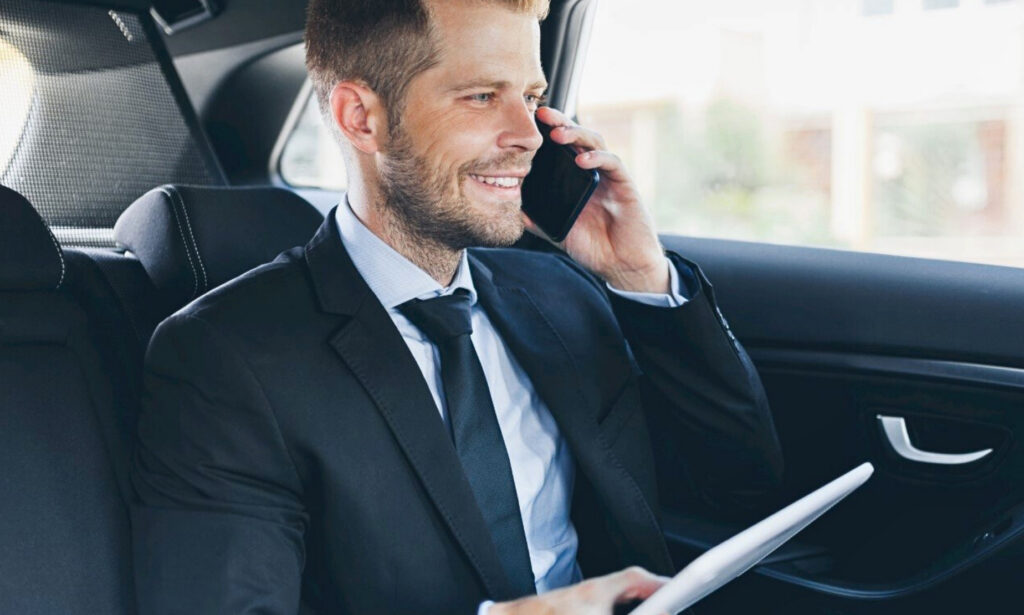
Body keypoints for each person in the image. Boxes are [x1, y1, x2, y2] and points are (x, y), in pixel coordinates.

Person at [130, 0, 783, 613]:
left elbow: (739, 484)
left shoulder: (559, 294)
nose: (528, 136)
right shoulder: (226, 360)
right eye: (482, 96)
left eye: (532, 99)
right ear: (361, 118)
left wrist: (641, 275)